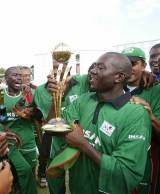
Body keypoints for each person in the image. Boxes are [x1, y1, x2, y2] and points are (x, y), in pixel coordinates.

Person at [57, 52, 151, 194]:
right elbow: (58, 122)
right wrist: (55, 96)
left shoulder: (136, 114)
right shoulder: (84, 99)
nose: (93, 71)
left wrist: (83, 144)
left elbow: (125, 172)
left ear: (119, 77)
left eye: (100, 68)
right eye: (94, 66)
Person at [122, 47, 160, 194]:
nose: (128, 68)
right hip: (116, 161)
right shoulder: (111, 87)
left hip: (146, 161)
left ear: (143, 65)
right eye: (124, 64)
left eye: (133, 63)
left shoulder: (155, 89)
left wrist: (150, 115)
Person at [0, 66, 38, 194]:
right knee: (23, 170)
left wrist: (29, 113)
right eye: (14, 75)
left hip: (28, 141)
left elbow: (34, 117)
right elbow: (2, 118)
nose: (19, 78)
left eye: (20, 75)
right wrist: (6, 131)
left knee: (31, 172)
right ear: (5, 79)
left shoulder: (29, 94)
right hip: (11, 142)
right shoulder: (1, 95)